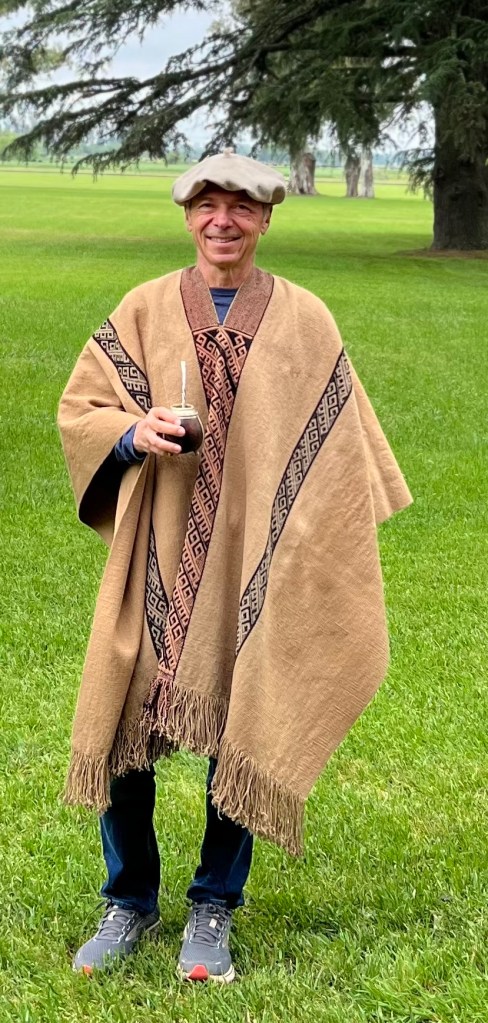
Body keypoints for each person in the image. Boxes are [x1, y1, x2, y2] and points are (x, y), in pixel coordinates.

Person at [58, 150, 412, 982]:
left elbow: (337, 453)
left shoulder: (306, 320)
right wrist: (131, 432)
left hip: (254, 562)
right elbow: (82, 407)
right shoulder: (144, 307)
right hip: (156, 555)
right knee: (124, 713)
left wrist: (304, 543)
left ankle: (214, 902)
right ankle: (129, 899)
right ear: (189, 217)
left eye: (241, 207)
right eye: (207, 205)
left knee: (245, 714)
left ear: (265, 219)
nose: (223, 220)